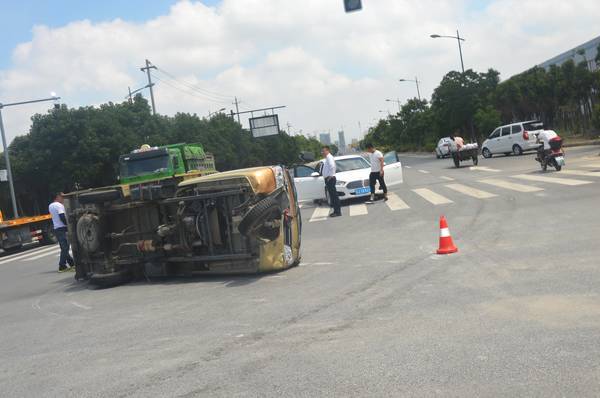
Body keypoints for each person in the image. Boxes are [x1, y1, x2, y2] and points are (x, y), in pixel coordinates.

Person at [48, 193, 75, 272]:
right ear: (58, 197)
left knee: (64, 247)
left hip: (57, 228)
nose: (63, 199)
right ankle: (62, 266)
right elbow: (62, 217)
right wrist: (68, 225)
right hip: (63, 228)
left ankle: (72, 263)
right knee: (65, 247)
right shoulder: (59, 205)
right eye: (62, 197)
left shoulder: (50, 205)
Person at [321, 146, 341, 217]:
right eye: (322, 151)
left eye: (323, 151)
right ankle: (336, 211)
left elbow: (332, 166)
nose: (322, 152)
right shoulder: (327, 158)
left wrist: (330, 176)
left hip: (330, 179)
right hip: (329, 178)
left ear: (327, 151)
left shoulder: (329, 157)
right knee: (332, 196)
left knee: (334, 196)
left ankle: (337, 212)